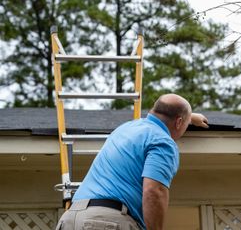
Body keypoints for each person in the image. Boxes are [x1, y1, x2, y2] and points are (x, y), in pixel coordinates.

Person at [56, 94, 209, 230]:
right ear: (179, 122)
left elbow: (165, 115)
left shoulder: (127, 128)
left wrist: (190, 117)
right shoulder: (162, 142)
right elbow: (154, 192)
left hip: (70, 219)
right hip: (106, 223)